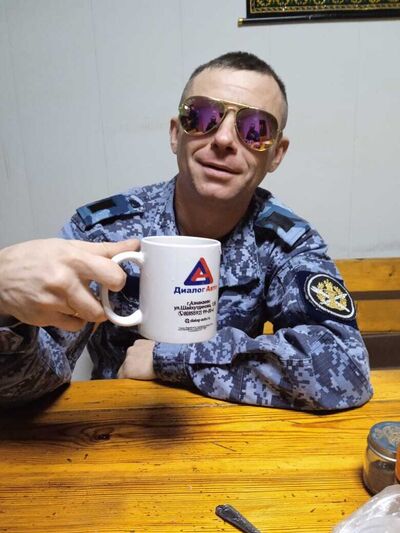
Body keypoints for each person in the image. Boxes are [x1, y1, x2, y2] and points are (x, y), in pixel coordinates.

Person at [0, 51, 372, 410]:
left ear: (276, 154)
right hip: (114, 426)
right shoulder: (106, 229)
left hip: (230, 429)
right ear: (176, 134)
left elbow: (346, 369)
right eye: (202, 116)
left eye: (254, 129)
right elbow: (29, 385)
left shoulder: (284, 242)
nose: (223, 140)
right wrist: (6, 315)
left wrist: (168, 358)